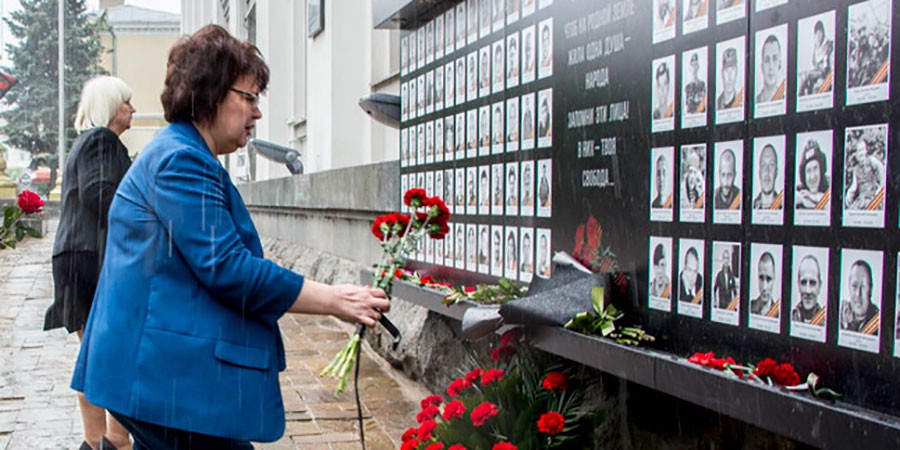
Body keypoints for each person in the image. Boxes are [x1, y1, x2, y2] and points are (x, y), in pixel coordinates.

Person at [70, 26, 391, 448]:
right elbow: (228, 268)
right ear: (211, 94)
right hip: (159, 378)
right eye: (250, 97)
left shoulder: (183, 153)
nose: (257, 113)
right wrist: (336, 299)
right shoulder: (181, 160)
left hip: (154, 373)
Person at [43, 76, 135, 450]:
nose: (132, 108)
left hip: (78, 256)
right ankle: (109, 441)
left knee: (98, 353)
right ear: (111, 108)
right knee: (105, 352)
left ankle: (102, 441)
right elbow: (101, 194)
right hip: (88, 259)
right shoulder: (102, 141)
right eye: (126, 102)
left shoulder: (91, 142)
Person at [840, 260, 879, 333]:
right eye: (854, 286)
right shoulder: (840, 317)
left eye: (863, 287)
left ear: (871, 289)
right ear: (849, 287)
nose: (858, 293)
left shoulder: (878, 321)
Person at [844, 139, 885, 210]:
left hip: (872, 195)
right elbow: (854, 185)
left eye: (862, 150)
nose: (861, 153)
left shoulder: (871, 160)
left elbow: (881, 168)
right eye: (859, 151)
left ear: (866, 151)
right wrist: (849, 192)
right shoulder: (856, 168)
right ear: (856, 153)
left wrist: (881, 187)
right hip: (861, 197)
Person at [800, 20, 834, 95]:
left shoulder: (828, 46)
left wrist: (815, 74)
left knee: (815, 85)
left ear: (822, 33)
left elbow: (826, 69)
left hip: (825, 75)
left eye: (820, 33)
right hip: (816, 74)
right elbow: (813, 65)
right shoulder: (816, 48)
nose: (818, 36)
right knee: (802, 78)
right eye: (816, 34)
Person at [796, 139, 829, 209]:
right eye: (808, 171)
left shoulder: (829, 186)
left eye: (815, 168)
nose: (812, 176)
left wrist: (814, 196)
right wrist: (802, 199)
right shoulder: (800, 190)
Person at [792, 255, 824, 323]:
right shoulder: (790, 318)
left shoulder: (826, 321)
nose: (808, 290)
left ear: (819, 286)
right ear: (798, 285)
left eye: (812, 283)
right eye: (803, 283)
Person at [756, 34, 784, 103]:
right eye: (767, 60)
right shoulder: (754, 102)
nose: (771, 66)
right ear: (762, 67)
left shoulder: (785, 101)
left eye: (774, 59)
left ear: (779, 64)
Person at [753, 144, 780, 209]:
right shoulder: (752, 207)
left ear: (776, 172)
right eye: (763, 165)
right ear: (759, 173)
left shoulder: (782, 206)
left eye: (771, 165)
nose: (767, 171)